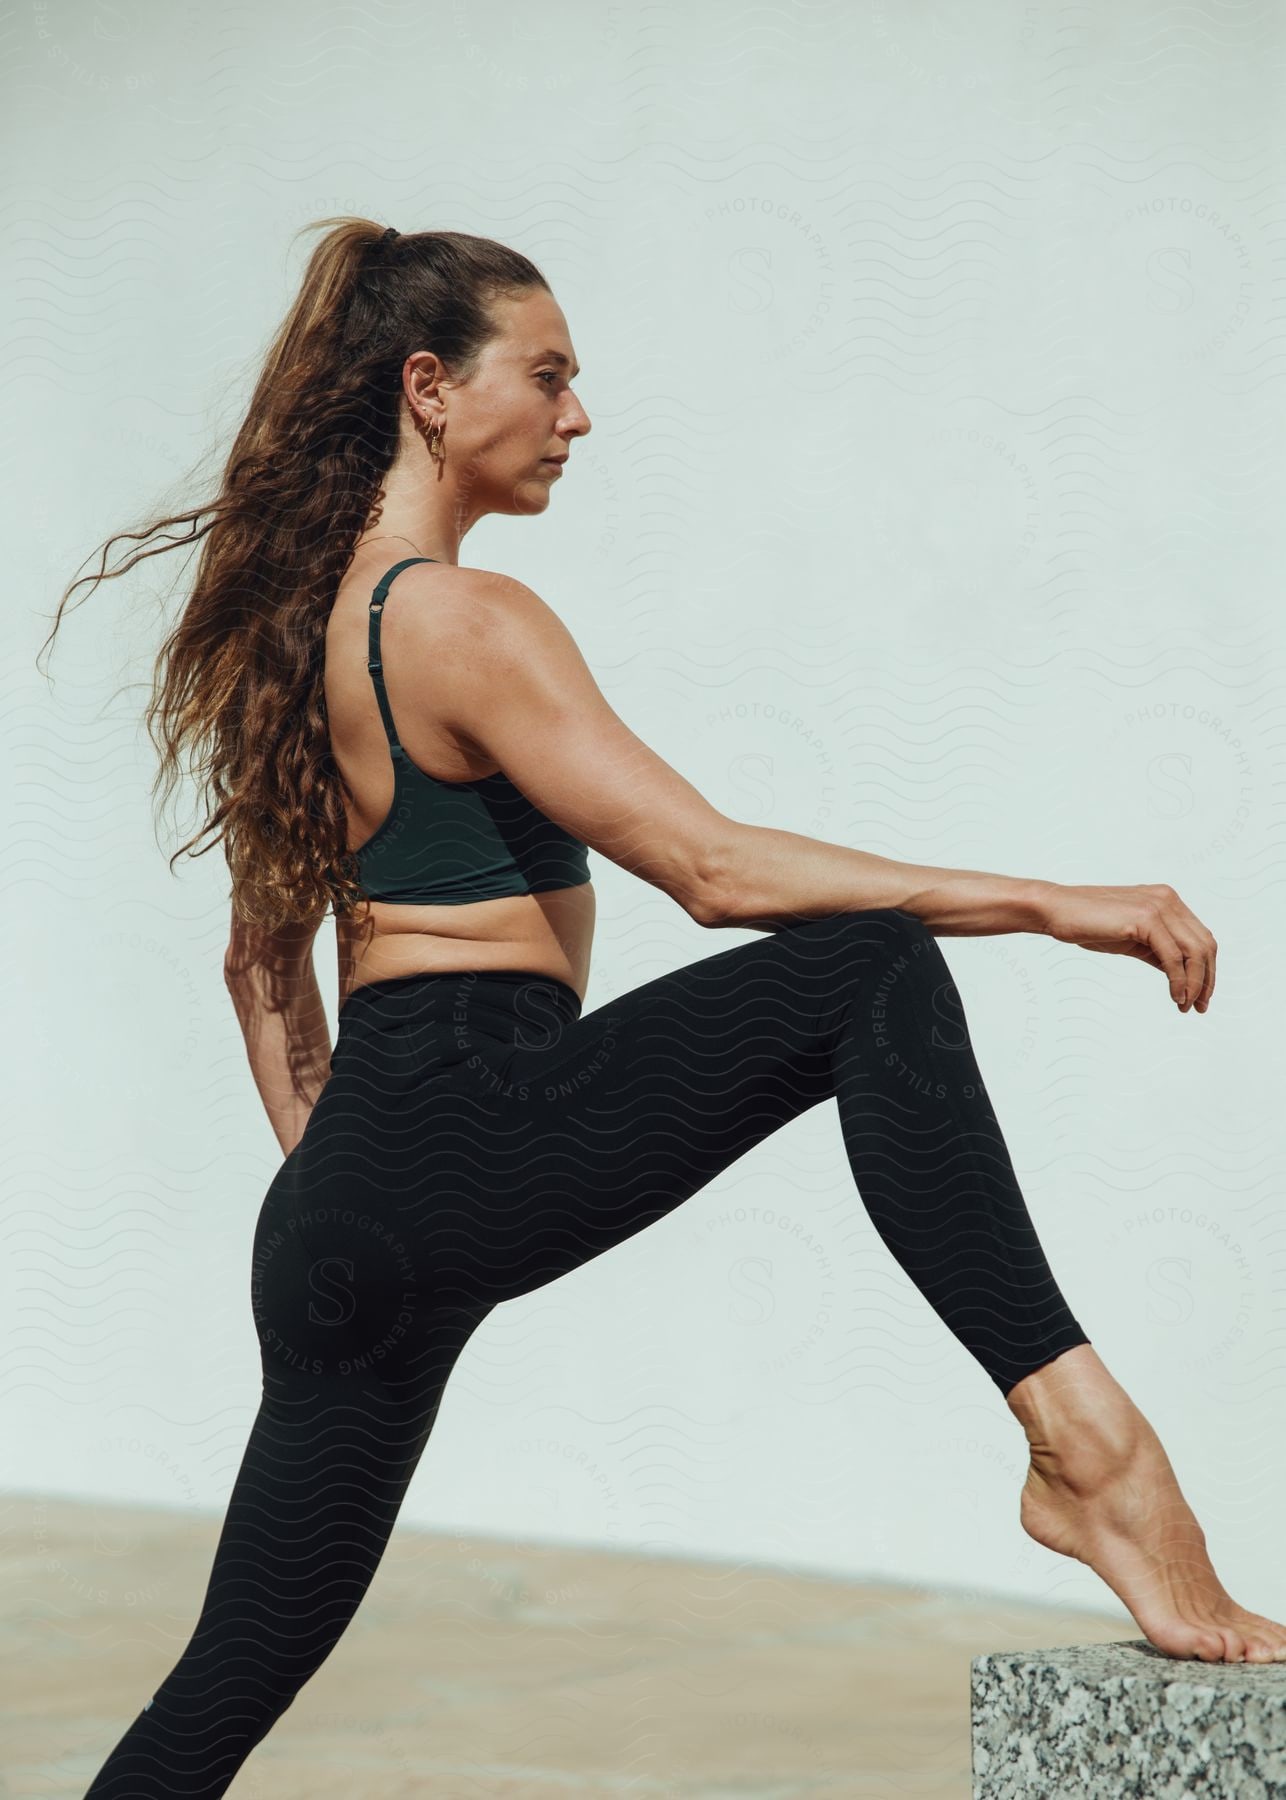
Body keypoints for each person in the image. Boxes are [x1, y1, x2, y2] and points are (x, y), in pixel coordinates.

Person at [45, 217, 1279, 1797]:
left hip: (339, 1219)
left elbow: (257, 971)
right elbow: (708, 867)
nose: (576, 416)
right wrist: (1057, 901)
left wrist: (359, 1194)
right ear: (430, 388)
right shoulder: (458, 619)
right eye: (546, 376)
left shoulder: (301, 631)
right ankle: (1084, 1448)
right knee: (870, 968)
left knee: (216, 1696)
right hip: (460, 1119)